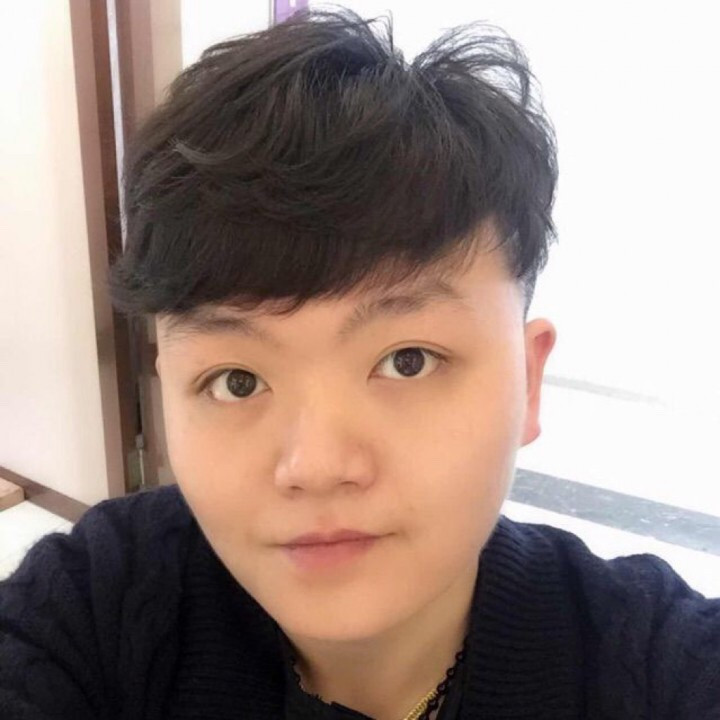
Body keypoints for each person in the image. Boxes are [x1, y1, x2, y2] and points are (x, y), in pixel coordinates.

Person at [1, 6, 718, 719]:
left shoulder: (652, 661)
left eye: (408, 360)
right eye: (236, 381)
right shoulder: (97, 603)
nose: (316, 466)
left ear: (528, 382)